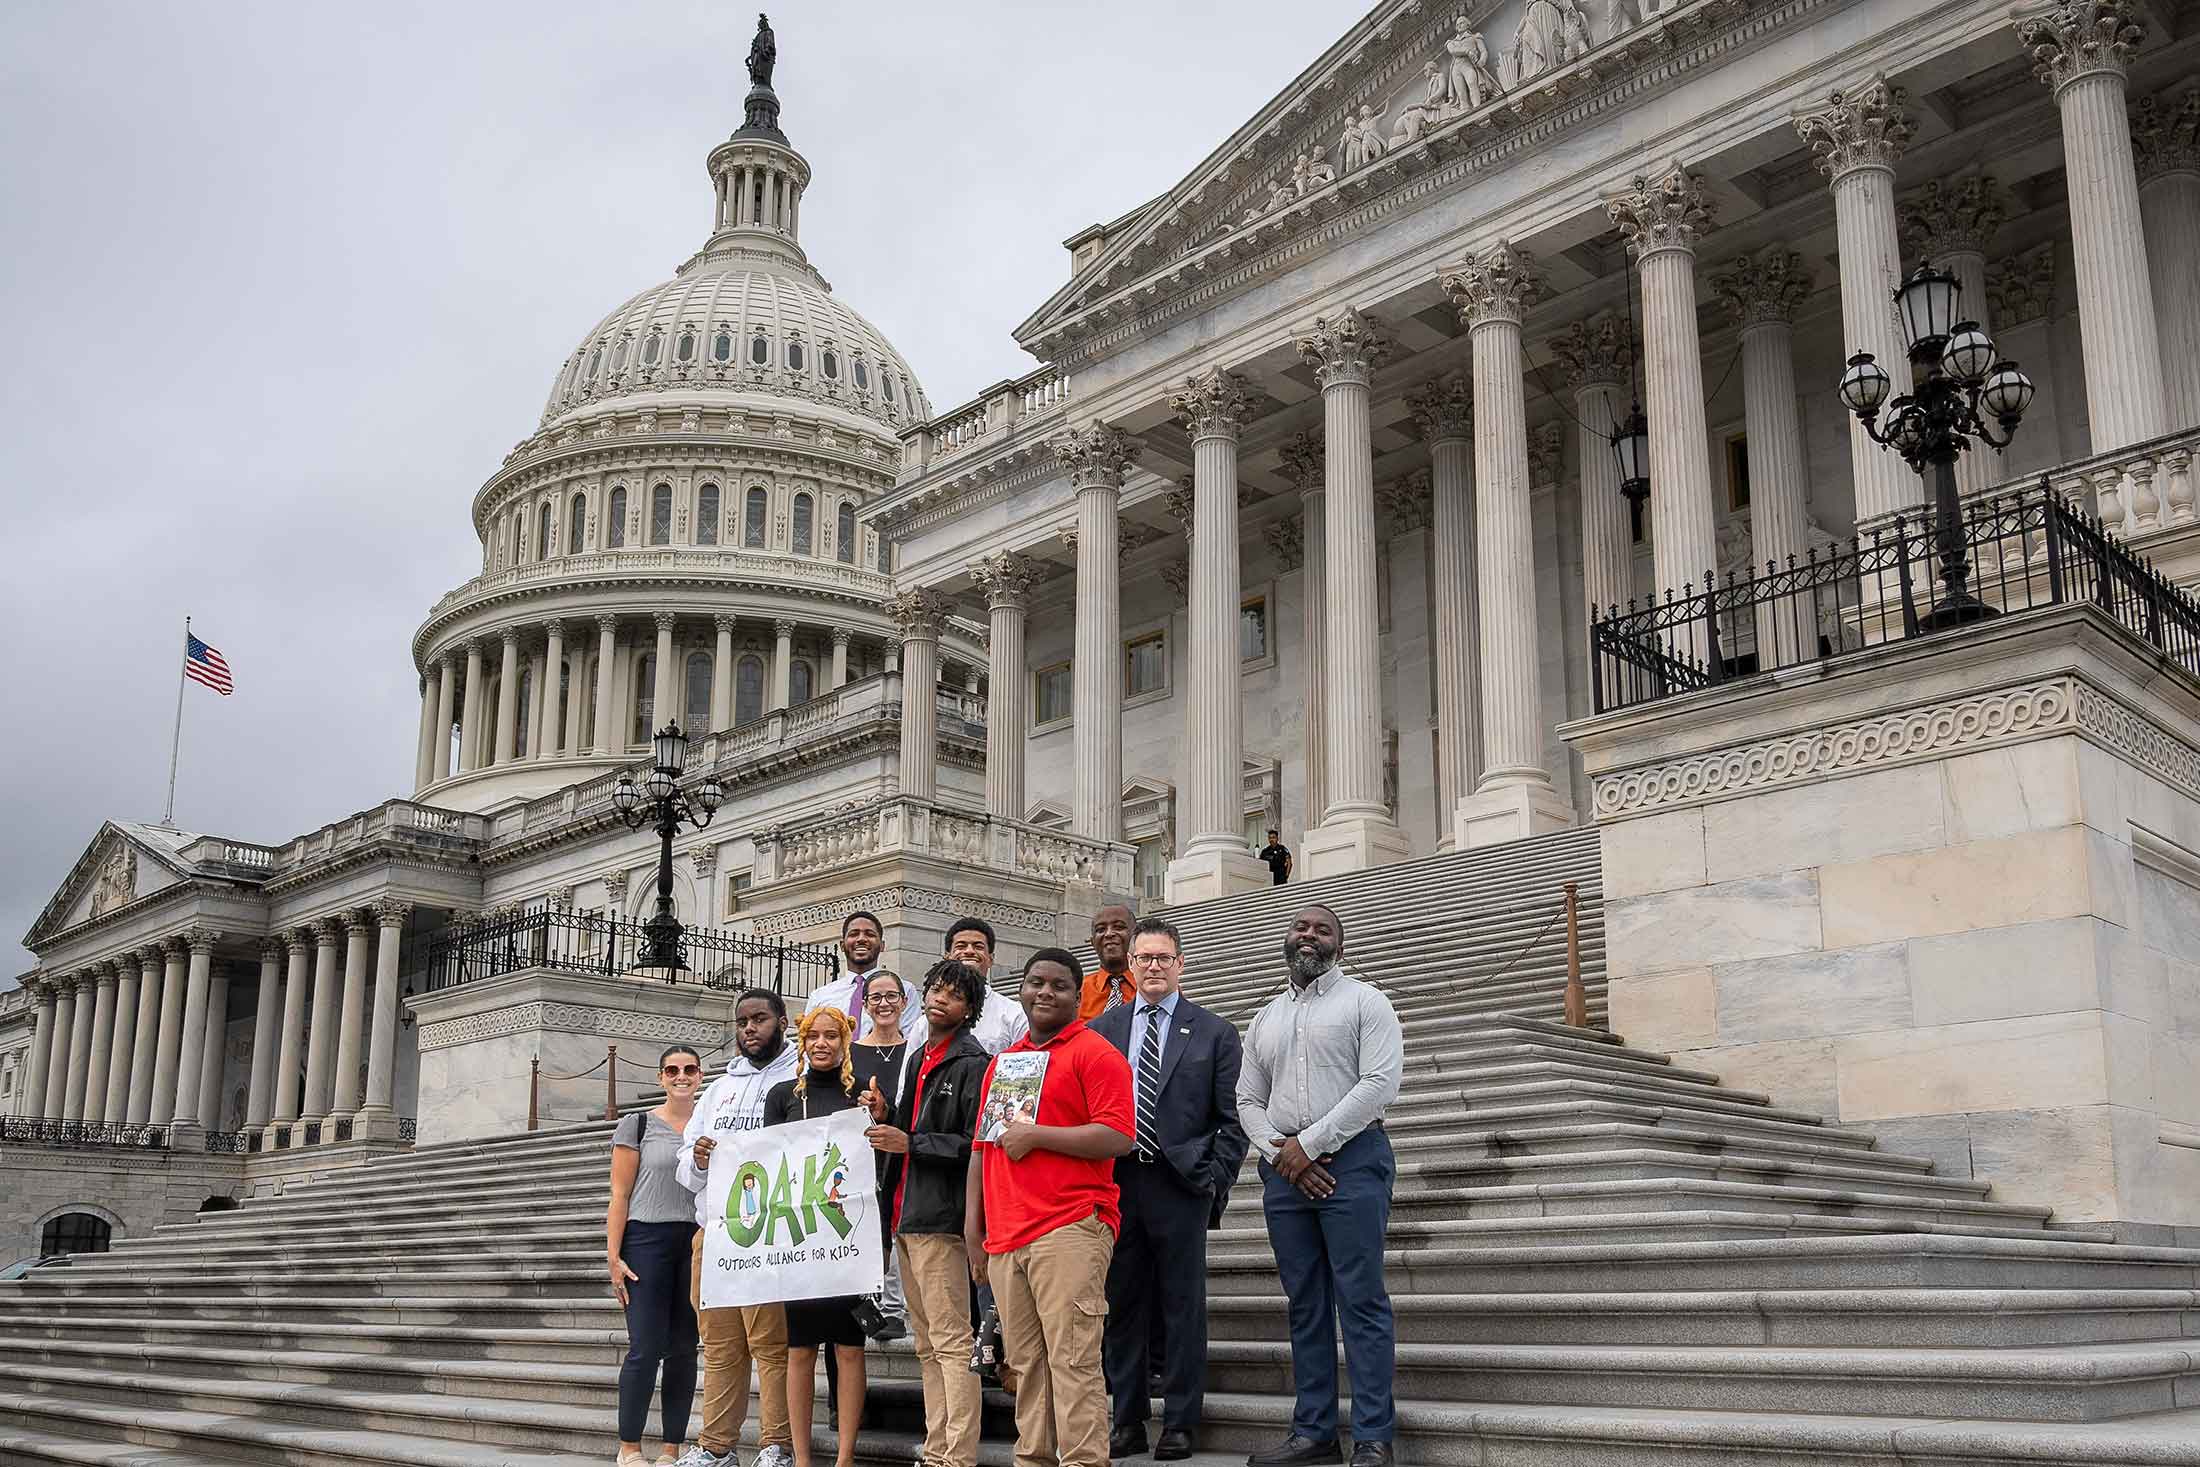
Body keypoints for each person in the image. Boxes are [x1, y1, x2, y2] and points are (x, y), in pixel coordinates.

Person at [1237, 907, 1404, 1467]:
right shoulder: (1264, 1018)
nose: (1309, 935)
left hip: (1353, 1162)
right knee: (1304, 1302)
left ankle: (1374, 1437)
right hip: (1285, 1172)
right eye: (1300, 928)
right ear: (1287, 939)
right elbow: (1246, 1100)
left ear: (1340, 944)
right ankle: (1314, 1433)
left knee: (1360, 1299)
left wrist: (1309, 1143)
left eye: (1322, 930)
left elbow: (1380, 1083)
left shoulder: (1365, 1002)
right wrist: (1282, 1151)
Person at [964, 949, 1136, 1467]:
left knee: (1073, 1360)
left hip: (1071, 1225)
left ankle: (1084, 1460)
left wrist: (1038, 1135)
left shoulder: (1095, 1052)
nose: (1045, 992)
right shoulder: (1007, 1061)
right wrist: (974, 1232)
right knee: (1023, 1367)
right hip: (1007, 1234)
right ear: (1022, 989)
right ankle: (1032, 1458)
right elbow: (983, 1148)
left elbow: (1118, 1137)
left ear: (1075, 994)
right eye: (1036, 982)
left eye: (1059, 986)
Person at [1091, 918, 1248, 1461]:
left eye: (1163, 958)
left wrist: (1214, 1180)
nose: (1153, 966)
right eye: (1144, 959)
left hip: (1180, 1184)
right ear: (1130, 966)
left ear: (1180, 964)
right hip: (1118, 1183)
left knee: (1184, 1308)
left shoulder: (1214, 1032)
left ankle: (1180, 1422)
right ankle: (1127, 1419)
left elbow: (1234, 1119)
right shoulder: (1102, 1031)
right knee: (1122, 1305)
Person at [861, 960, 992, 1467]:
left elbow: (974, 1145)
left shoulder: (972, 1063)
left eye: (954, 995)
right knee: (927, 1346)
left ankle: (957, 1455)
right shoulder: (919, 1056)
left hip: (942, 1219)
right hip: (906, 1216)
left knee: (952, 1341)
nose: (941, 999)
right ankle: (937, 1446)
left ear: (969, 1010)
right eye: (936, 989)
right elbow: (910, 1127)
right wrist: (885, 1117)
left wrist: (909, 1141)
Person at [675, 990, 801, 1467]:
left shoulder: (797, 1078)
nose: (749, 1028)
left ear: (782, 1022)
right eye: (743, 1021)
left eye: (760, 1019)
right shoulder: (717, 1090)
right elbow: (683, 1167)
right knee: (721, 1343)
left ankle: (776, 1444)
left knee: (770, 1342)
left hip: (770, 1231)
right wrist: (701, 1160)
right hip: (716, 1229)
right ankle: (716, 1447)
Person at [763, 1008, 869, 1467]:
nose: (821, 1043)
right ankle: (803, 1459)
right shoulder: (782, 1094)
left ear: (845, 1041)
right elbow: (767, 1160)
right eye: (813, 1036)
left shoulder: (863, 1092)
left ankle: (845, 1457)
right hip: (801, 1240)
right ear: (802, 1043)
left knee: (849, 1348)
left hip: (848, 1236)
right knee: (800, 1349)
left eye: (831, 1035)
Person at [810, 912, 915, 1342]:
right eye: (876, 998)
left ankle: (894, 1303)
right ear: (865, 1005)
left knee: (895, 1220)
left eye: (891, 996)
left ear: (905, 1002)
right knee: (862, 1220)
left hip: (900, 1146)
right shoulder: (848, 1051)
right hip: (857, 1150)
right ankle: (865, 1300)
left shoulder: (916, 1051)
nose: (884, 1004)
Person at [608, 1044, 706, 1467]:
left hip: (695, 1239)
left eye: (689, 1069)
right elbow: (619, 1193)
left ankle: (671, 1448)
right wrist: (614, 1256)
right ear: (660, 1077)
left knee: (685, 1348)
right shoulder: (639, 1124)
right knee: (644, 1348)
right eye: (672, 1070)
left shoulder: (711, 1123)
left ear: (700, 1075)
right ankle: (629, 1447)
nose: (681, 1076)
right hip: (646, 1239)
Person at [805, 912, 919, 1041]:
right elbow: (808, 1042)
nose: (861, 939)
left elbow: (912, 1041)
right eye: (854, 934)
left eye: (870, 934)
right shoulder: (820, 996)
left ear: (882, 946)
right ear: (842, 945)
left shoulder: (904, 990)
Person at [943, 916, 1029, 1054]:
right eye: (961, 946)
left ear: (991, 959)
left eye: (978, 946)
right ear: (947, 957)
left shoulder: (1015, 1015)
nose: (969, 951)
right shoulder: (926, 1021)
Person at [1079, 904, 1137, 1020]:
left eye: (1119, 927)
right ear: (1092, 942)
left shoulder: (1156, 988)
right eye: (1100, 930)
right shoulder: (1078, 992)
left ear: (1136, 936)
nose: (1109, 934)